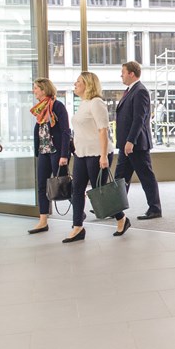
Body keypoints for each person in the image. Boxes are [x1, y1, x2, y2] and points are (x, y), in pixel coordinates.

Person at [63, 72, 131, 243]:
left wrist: (103, 156)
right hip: (81, 153)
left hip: (97, 153)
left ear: (88, 84)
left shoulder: (96, 103)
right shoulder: (83, 103)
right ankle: (77, 227)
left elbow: (103, 130)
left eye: (78, 81)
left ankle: (121, 218)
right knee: (77, 189)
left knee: (100, 190)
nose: (75, 84)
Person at [115, 61, 163, 220]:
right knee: (120, 178)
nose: (121, 75)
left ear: (131, 74)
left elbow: (139, 119)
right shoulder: (130, 91)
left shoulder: (140, 91)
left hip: (136, 145)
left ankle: (155, 208)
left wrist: (130, 141)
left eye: (123, 72)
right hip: (126, 145)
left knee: (146, 177)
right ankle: (114, 208)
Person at [29, 78, 71, 234]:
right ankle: (43, 221)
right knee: (41, 185)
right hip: (43, 151)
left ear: (44, 89)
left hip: (56, 152)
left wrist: (64, 154)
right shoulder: (40, 109)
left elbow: (66, 131)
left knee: (63, 184)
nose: (34, 91)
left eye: (36, 88)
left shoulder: (57, 106)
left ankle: (78, 211)